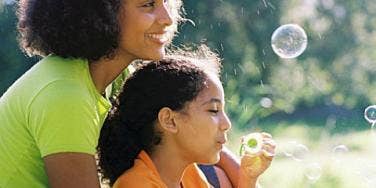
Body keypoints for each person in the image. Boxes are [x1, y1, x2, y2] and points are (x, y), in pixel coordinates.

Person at [0, 0, 240, 187]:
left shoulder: (118, 76)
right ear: (99, 12)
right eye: (148, 5)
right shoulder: (65, 96)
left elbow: (199, 146)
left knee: (212, 172)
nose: (167, 18)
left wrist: (247, 174)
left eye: (166, 2)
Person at [97, 46, 276, 188]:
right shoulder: (136, 185)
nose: (226, 124)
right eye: (213, 110)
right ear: (169, 120)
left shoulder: (189, 175)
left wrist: (247, 178)